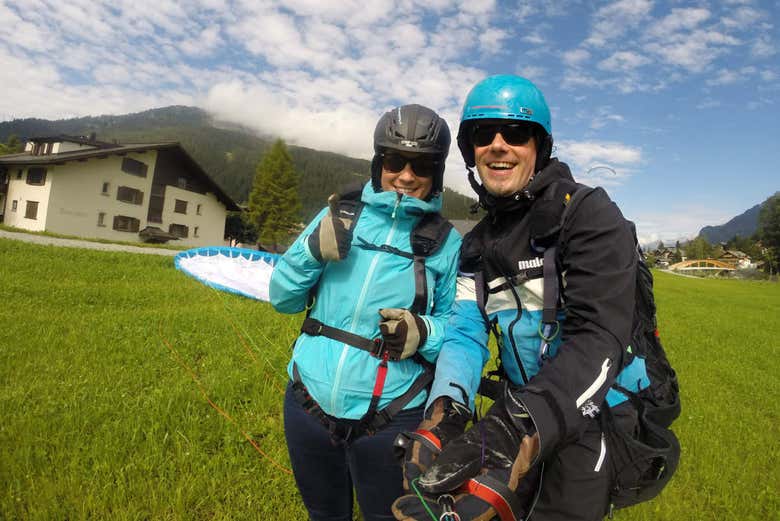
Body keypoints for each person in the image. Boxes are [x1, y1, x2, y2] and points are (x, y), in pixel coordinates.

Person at [392, 75, 638, 521]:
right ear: (471, 152)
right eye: (484, 134)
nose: (499, 145)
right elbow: (467, 332)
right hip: (520, 409)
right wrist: (445, 413)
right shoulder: (478, 246)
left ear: (539, 147)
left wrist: (510, 426)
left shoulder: (588, 215)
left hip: (593, 415)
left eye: (517, 133)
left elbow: (600, 336)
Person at [269, 104, 462, 521]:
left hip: (393, 416)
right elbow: (281, 298)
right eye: (394, 161)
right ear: (378, 164)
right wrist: (308, 252)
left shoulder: (445, 243)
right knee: (323, 512)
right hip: (307, 402)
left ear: (436, 174)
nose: (406, 176)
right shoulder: (338, 216)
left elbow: (458, 329)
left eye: (421, 166)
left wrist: (424, 333)